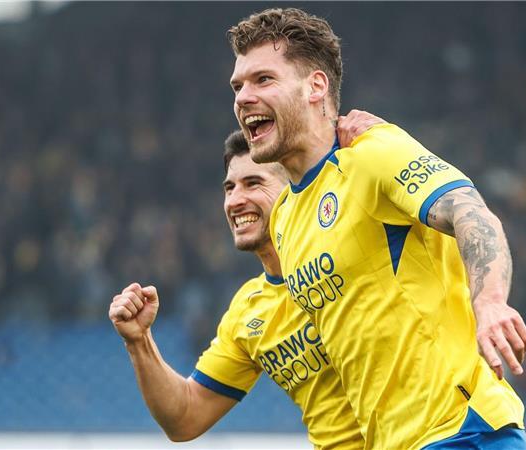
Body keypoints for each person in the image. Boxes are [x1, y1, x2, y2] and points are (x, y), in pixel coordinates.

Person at [227, 7, 526, 449]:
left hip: (461, 431)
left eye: (263, 80)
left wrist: (489, 302)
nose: (243, 97)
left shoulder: (371, 153)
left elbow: (471, 212)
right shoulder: (287, 219)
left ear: (316, 86)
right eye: (238, 86)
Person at [108, 115, 381, 448]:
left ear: (294, 187)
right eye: (229, 187)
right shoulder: (249, 311)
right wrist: (139, 342)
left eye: (253, 183)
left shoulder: (357, 248)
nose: (235, 201)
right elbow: (185, 418)